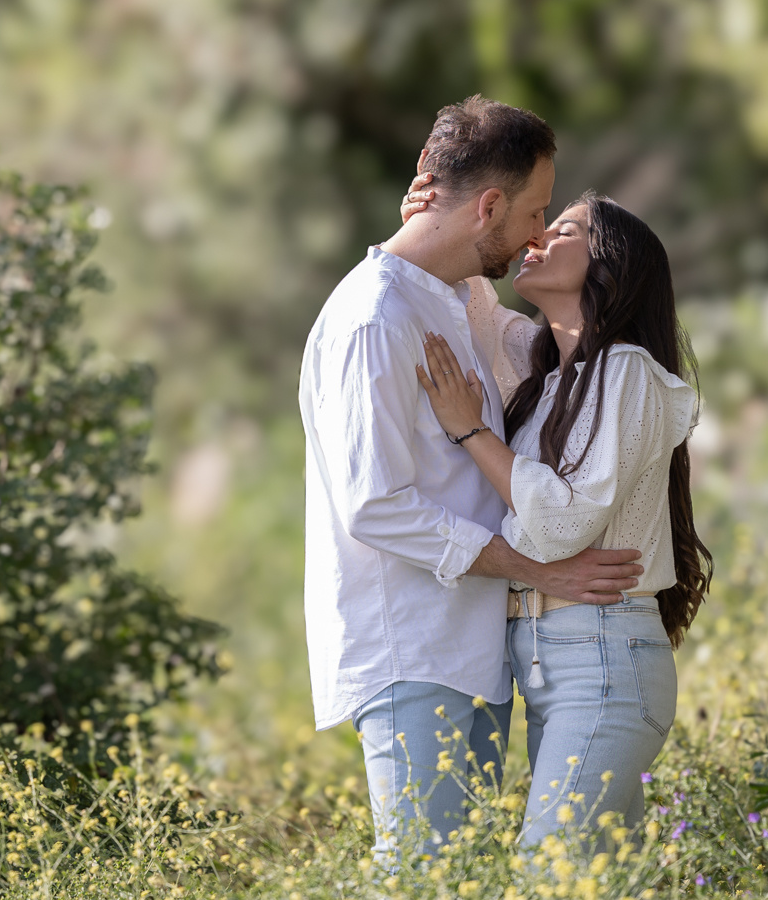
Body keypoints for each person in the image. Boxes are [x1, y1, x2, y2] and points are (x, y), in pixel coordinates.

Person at [301, 96, 648, 860]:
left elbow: (550, 354)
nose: (538, 233)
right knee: (423, 873)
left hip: (475, 650)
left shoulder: (458, 300)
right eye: (535, 211)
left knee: (468, 873)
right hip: (412, 650)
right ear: (489, 206)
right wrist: (535, 567)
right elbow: (375, 505)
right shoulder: (374, 318)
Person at [408, 185, 713, 846]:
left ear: (611, 266)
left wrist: (471, 431)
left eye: (565, 230)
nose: (537, 237)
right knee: (603, 874)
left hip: (601, 658)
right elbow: (473, 302)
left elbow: (561, 523)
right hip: (551, 663)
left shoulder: (626, 370)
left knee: (551, 868)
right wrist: (433, 219)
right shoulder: (549, 376)